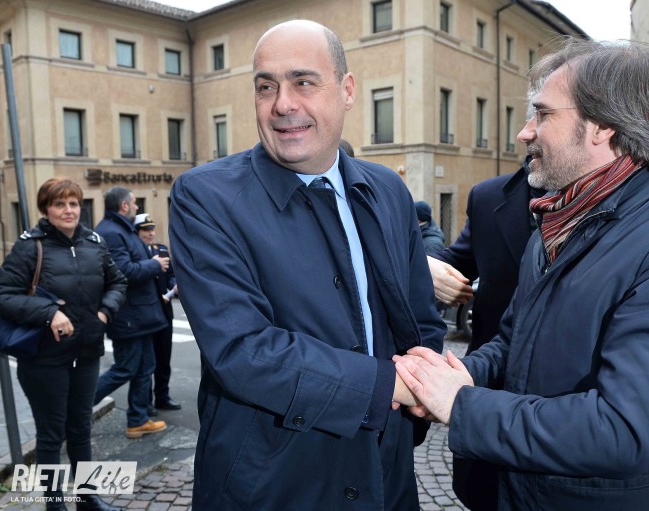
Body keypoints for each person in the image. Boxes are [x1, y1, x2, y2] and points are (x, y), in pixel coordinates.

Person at [394, 39, 649, 510]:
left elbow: (624, 431)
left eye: (542, 114)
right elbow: (512, 344)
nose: (525, 132)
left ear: (602, 126)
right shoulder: (557, 223)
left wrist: (459, 404)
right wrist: (446, 375)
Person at [168, 20, 446, 510]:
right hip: (271, 482)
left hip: (386, 473)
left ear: (347, 90)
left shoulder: (388, 189)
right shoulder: (205, 197)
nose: (282, 104)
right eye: (266, 87)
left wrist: (415, 407)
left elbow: (420, 321)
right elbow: (243, 350)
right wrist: (395, 388)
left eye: (303, 82)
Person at [0, 178, 127, 511]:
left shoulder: (94, 243)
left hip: (86, 353)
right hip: (44, 359)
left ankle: (87, 498)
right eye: (59, 204)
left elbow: (118, 282)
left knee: (80, 428)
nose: (68, 210)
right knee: (51, 434)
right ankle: (55, 504)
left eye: (73, 203)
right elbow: (2, 295)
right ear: (46, 209)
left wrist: (105, 312)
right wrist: (48, 312)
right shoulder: (30, 246)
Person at [426, 156, 544, 510]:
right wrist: (424, 264)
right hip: (490, 386)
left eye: (541, 123)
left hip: (568, 414)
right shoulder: (487, 197)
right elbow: (455, 261)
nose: (524, 133)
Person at [93, 187, 169, 439]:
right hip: (128, 315)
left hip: (141, 315)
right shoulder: (112, 232)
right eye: (134, 203)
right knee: (125, 368)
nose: (137, 207)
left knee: (145, 367)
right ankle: (76, 407)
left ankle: (137, 420)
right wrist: (154, 264)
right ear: (124, 205)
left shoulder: (122, 229)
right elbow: (124, 272)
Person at [134, 213, 180, 412]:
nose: (150, 233)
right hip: (145, 312)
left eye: (152, 229)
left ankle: (162, 396)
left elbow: (170, 275)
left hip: (164, 310)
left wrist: (173, 286)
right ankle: (145, 401)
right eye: (146, 230)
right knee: (146, 360)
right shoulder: (136, 252)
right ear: (137, 232)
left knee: (163, 357)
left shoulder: (160, 249)